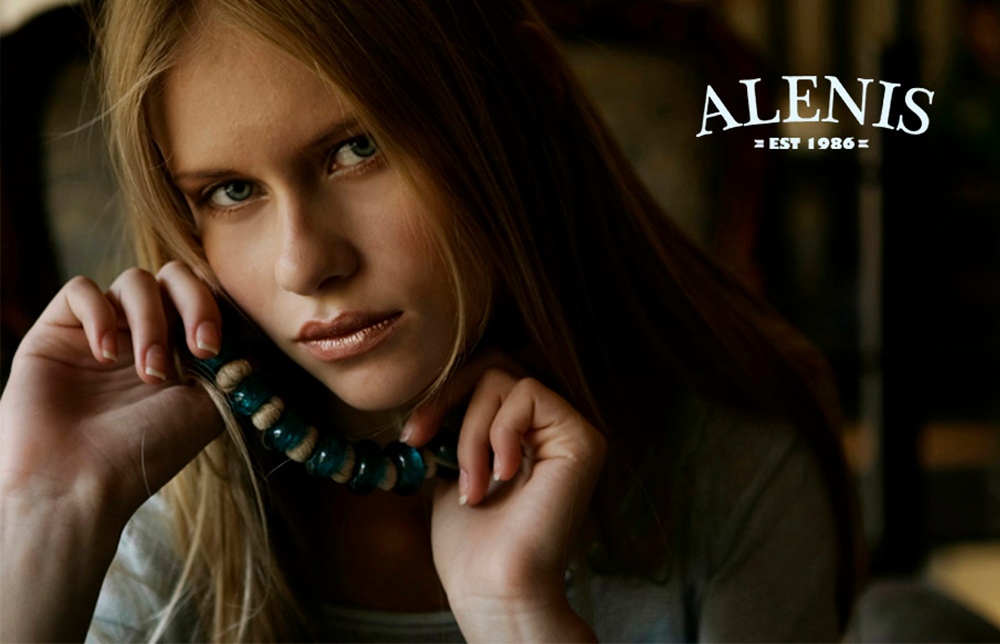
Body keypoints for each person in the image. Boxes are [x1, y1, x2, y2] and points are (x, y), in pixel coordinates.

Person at [0, 0, 865, 641]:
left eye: (357, 148)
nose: (304, 265)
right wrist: (49, 512)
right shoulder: (154, 491)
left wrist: (517, 619)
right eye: (231, 191)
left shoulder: (735, 472)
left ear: (519, 110)